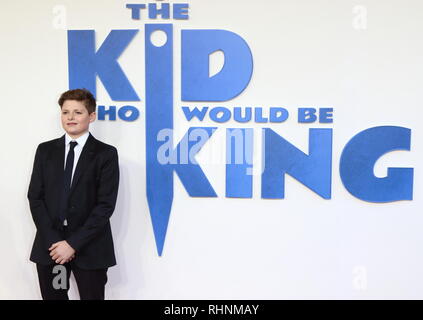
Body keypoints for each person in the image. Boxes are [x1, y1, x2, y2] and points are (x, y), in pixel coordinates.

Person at [27, 88, 119, 300]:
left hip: (89, 247)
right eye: (66, 112)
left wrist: (73, 244)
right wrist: (54, 242)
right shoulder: (45, 151)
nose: (70, 117)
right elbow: (35, 197)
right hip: (52, 249)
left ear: (91, 116)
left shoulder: (106, 154)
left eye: (78, 112)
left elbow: (105, 205)